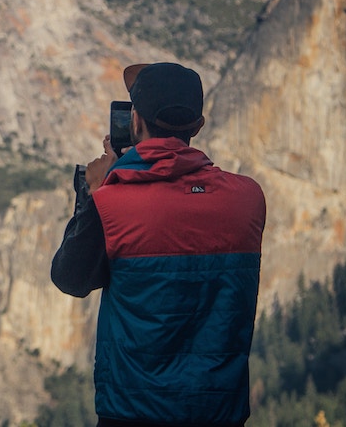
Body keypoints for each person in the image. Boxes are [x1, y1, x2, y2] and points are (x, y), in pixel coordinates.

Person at [51, 62, 267, 427]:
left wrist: (95, 192)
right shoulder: (247, 198)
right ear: (197, 126)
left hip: (132, 413)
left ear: (134, 121)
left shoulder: (113, 203)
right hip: (218, 412)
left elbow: (71, 278)